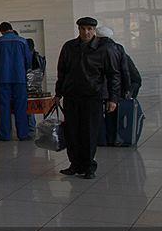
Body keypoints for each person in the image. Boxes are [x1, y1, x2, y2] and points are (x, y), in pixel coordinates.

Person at [55, 17, 121, 179]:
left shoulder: (104, 49)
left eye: (89, 29)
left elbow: (113, 74)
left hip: (93, 97)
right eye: (83, 29)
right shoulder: (69, 47)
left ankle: (89, 166)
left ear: (94, 30)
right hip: (71, 96)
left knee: (89, 132)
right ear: (78, 29)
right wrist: (58, 93)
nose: (86, 32)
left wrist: (113, 98)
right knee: (72, 132)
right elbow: (62, 71)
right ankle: (75, 164)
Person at [95, 26, 137, 146]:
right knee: (113, 116)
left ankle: (102, 140)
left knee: (99, 117)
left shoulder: (95, 49)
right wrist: (126, 88)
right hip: (115, 89)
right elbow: (125, 71)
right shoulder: (119, 48)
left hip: (99, 90)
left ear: (97, 37)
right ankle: (113, 139)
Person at [0, 22, 32, 141]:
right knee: (21, 106)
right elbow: (28, 60)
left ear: (1, 31)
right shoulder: (22, 41)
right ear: (11, 28)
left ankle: (5, 135)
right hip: (19, 78)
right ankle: (23, 134)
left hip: (3, 78)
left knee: (4, 107)